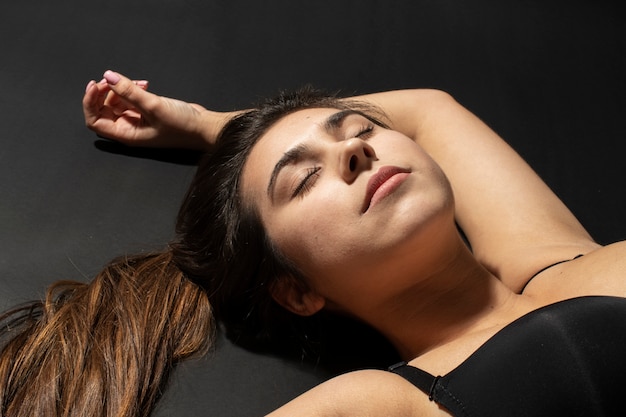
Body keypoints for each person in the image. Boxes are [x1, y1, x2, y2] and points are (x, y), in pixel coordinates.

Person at [0, 69, 624, 416]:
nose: (356, 149)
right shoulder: (388, 404)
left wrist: (206, 125)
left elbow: (428, 110)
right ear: (296, 292)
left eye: (358, 132)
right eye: (303, 179)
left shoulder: (558, 262)